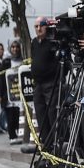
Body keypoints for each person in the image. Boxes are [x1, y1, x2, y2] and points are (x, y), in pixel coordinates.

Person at [30, 17, 60, 149]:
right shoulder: (34, 42)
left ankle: (55, 140)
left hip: (50, 82)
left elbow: (59, 62)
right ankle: (46, 141)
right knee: (40, 111)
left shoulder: (52, 42)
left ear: (46, 27)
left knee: (52, 112)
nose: (38, 29)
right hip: (38, 83)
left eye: (41, 26)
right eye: (36, 26)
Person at [0, 40, 24, 145]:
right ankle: (12, 136)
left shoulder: (23, 60)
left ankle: (20, 134)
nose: (15, 49)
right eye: (13, 47)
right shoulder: (6, 62)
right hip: (8, 94)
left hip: (20, 94)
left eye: (17, 46)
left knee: (19, 115)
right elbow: (0, 78)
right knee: (10, 116)